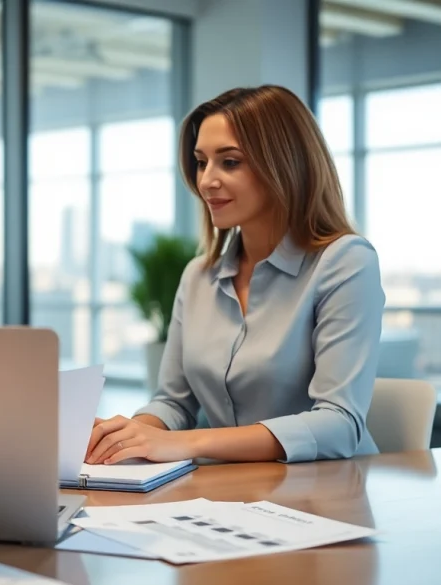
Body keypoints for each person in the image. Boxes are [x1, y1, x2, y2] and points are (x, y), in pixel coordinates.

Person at [86, 85, 385, 466]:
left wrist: (192, 444)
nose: (207, 180)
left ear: (285, 164)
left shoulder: (345, 262)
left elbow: (339, 423)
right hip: (232, 495)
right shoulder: (198, 276)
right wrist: (127, 438)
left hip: (328, 493)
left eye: (230, 162)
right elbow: (173, 403)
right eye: (201, 162)